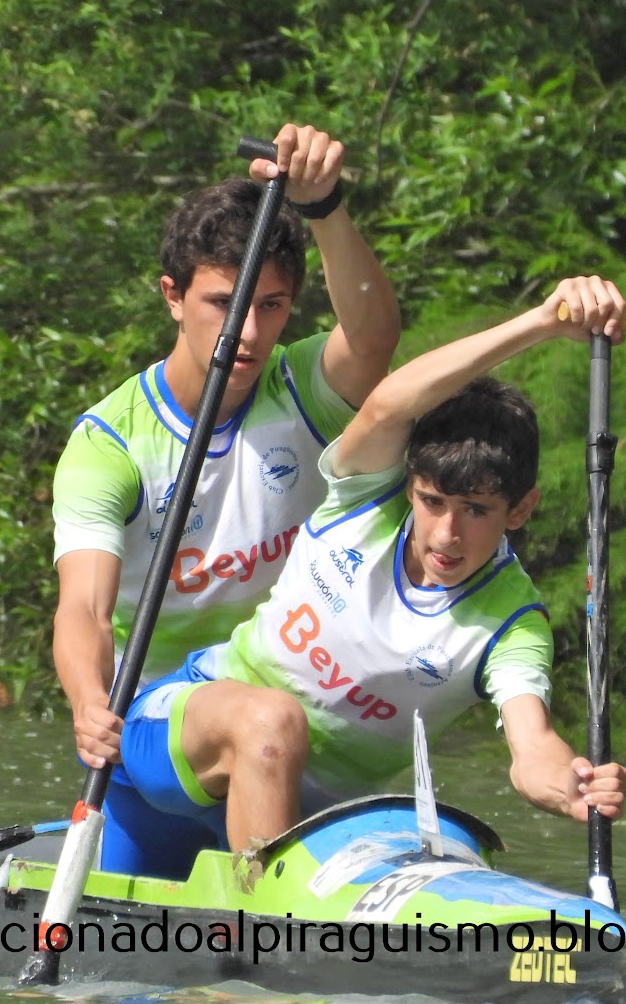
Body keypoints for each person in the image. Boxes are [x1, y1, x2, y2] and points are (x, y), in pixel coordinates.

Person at [98, 275, 626, 878]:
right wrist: (542, 322)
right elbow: (388, 404)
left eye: (476, 510)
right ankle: (262, 927)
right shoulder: (364, 495)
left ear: (521, 510)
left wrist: (572, 786)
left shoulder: (512, 623)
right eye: (432, 501)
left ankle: (254, 909)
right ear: (410, 486)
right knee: (273, 721)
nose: (446, 534)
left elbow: (532, 750)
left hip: (309, 819)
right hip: (171, 752)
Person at [52, 123, 401, 783]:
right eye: (223, 303)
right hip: (154, 716)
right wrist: (89, 702)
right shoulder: (108, 445)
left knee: (278, 716)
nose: (247, 330)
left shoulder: (300, 389)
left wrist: (324, 206)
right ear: (173, 297)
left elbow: (374, 337)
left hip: (290, 703)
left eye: (271, 305)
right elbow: (85, 609)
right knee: (266, 720)